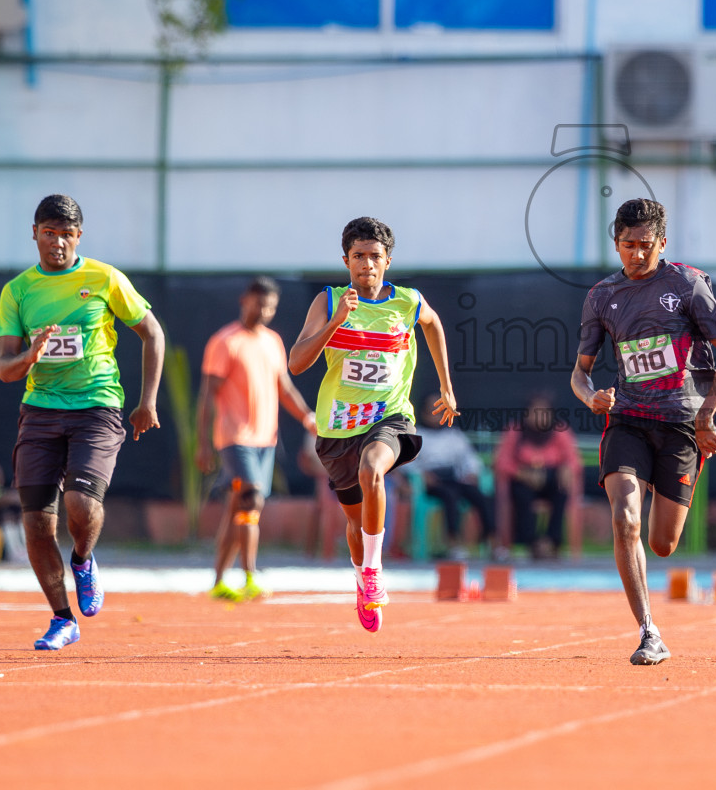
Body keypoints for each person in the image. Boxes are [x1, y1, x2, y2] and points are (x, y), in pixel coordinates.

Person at [572, 198, 716, 665]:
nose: (636, 254)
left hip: (682, 424)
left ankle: (652, 606)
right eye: (627, 245)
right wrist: (592, 398)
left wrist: (708, 414)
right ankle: (649, 632)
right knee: (625, 518)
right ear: (616, 245)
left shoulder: (686, 284)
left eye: (645, 245)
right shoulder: (601, 296)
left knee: (662, 543)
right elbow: (580, 373)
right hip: (627, 418)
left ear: (662, 243)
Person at [0, 194, 165, 650]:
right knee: (35, 524)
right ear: (35, 234)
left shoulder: (104, 278)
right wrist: (30, 356)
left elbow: (152, 332)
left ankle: (84, 559)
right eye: (49, 233)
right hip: (41, 410)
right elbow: (5, 368)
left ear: (79, 237)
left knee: (80, 506)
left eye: (66, 235)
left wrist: (147, 400)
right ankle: (61, 618)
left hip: (97, 406)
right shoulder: (18, 291)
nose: (58, 243)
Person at [288, 217, 460, 633]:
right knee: (354, 520)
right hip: (338, 428)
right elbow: (296, 362)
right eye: (359, 256)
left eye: (375, 257)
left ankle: (374, 572)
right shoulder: (328, 302)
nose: (367, 264)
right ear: (346, 260)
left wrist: (446, 386)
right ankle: (362, 579)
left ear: (388, 261)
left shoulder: (407, 301)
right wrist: (334, 323)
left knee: (373, 469)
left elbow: (433, 325)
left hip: (390, 417)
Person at [196, 276, 317, 602]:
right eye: (259, 302)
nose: (265, 310)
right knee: (252, 498)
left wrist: (308, 417)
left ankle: (219, 580)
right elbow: (208, 395)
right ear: (245, 300)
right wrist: (203, 443)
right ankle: (250, 575)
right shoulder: (225, 341)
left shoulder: (273, 341)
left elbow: (284, 386)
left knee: (238, 508)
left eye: (271, 305)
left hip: (266, 439)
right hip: (234, 438)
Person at [408, 391, 494, 559]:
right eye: (431, 411)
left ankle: (492, 540)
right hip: (433, 483)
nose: (435, 415)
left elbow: (469, 458)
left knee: (479, 495)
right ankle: (453, 542)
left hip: (454, 479)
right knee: (450, 495)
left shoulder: (454, 435)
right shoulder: (416, 434)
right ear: (423, 412)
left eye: (439, 411)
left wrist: (472, 472)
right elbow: (406, 462)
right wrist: (422, 474)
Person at [495, 393, 580, 559]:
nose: (540, 416)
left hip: (551, 479)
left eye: (544, 412)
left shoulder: (560, 431)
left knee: (562, 490)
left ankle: (551, 541)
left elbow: (573, 460)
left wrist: (566, 469)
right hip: (523, 480)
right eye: (535, 412)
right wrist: (522, 474)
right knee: (521, 494)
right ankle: (531, 542)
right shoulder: (515, 431)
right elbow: (502, 462)